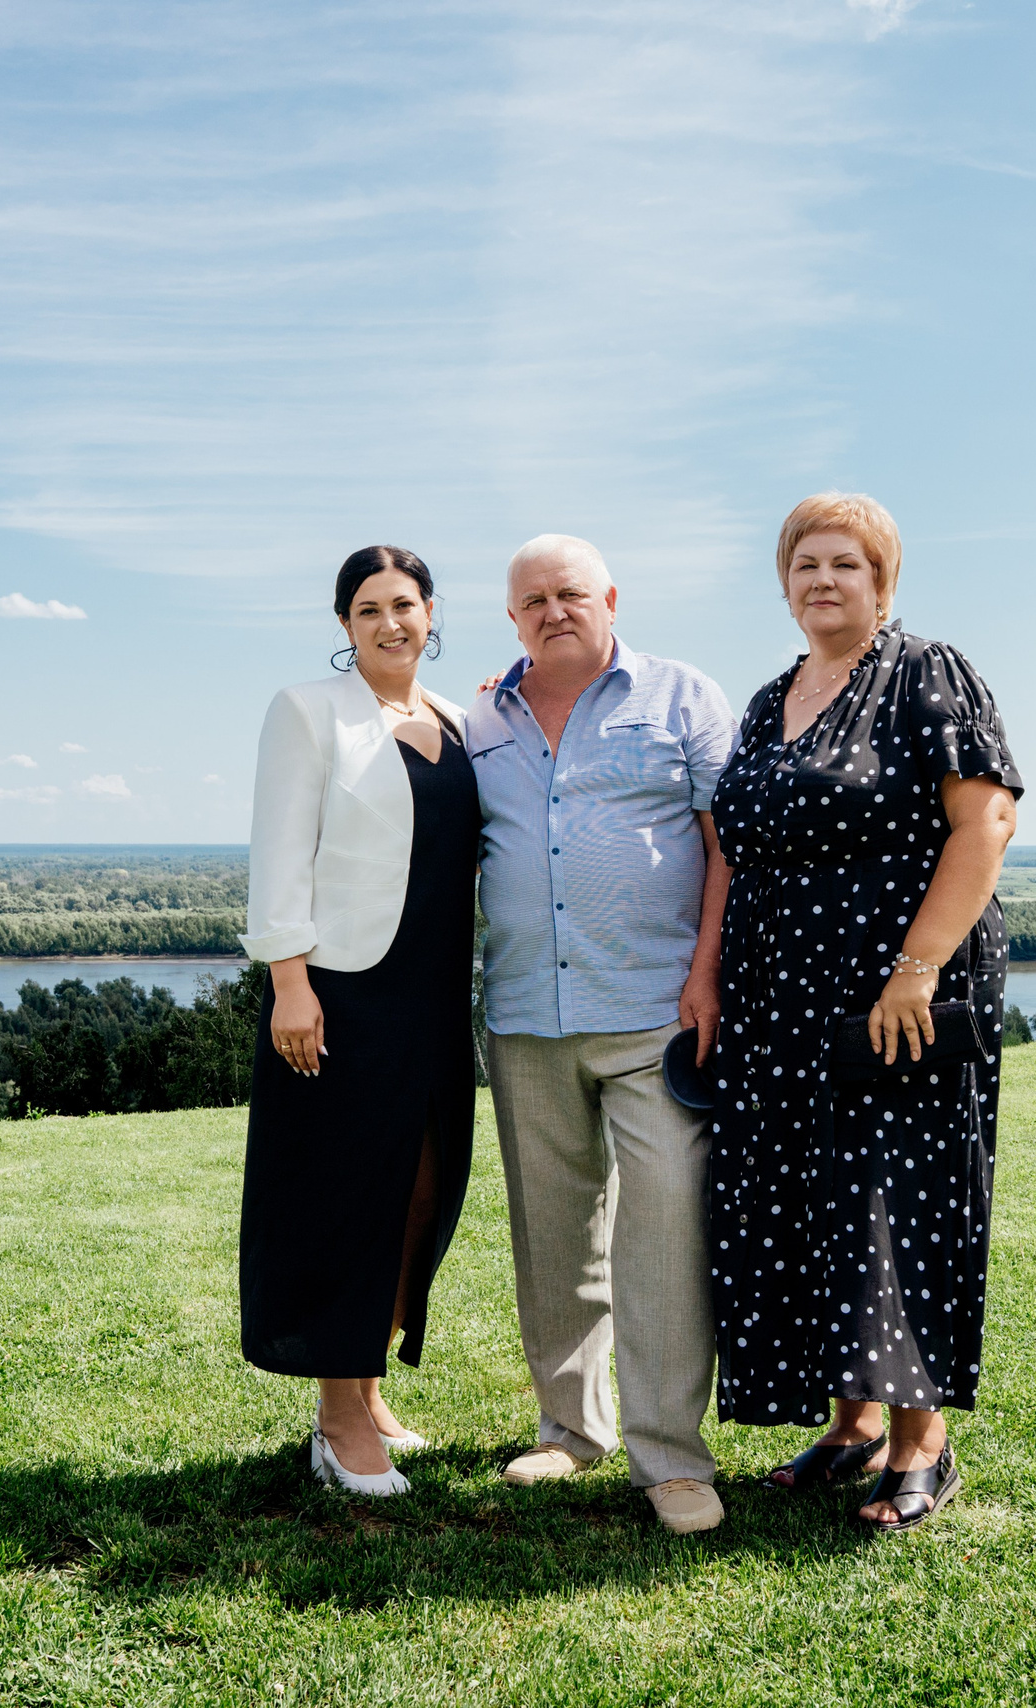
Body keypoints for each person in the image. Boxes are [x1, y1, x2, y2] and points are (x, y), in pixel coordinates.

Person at [705, 493, 1021, 1533]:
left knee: (900, 1201)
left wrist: (916, 968)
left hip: (896, 995)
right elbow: (735, 845)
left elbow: (986, 820)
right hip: (777, 1001)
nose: (822, 580)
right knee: (809, 1201)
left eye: (845, 563)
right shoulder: (766, 700)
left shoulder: (926, 670)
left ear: (882, 581)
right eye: (804, 564)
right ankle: (847, 1424)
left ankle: (920, 1440)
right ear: (783, 582)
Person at [469, 534, 738, 1536]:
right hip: (526, 1017)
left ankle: (669, 1457)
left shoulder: (682, 697)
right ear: (511, 617)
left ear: (611, 597)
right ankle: (567, 1431)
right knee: (553, 1235)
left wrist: (707, 973)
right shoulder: (480, 717)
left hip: (654, 1015)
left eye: (570, 592)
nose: (553, 609)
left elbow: (726, 850)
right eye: (531, 598)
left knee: (663, 1228)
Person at [238, 545, 482, 1498]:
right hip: (340, 992)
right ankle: (340, 1420)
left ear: (432, 614)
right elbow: (279, 852)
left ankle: (369, 1386)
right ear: (344, 625)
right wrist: (289, 983)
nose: (391, 622)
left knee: (420, 1193)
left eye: (406, 604)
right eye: (369, 608)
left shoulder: (463, 721)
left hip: (434, 992)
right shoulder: (308, 711)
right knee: (346, 1198)